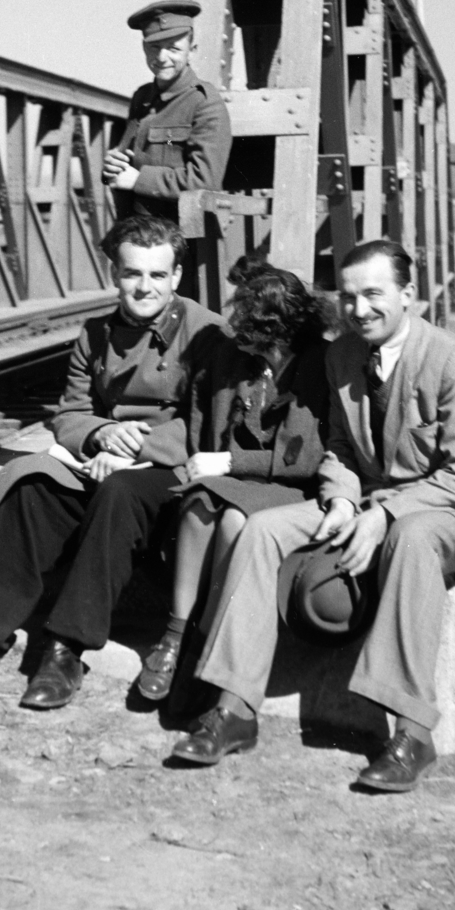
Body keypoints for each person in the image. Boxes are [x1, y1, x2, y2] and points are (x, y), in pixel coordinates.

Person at [169, 239, 455, 790]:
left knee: (412, 539)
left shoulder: (451, 360)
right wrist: (345, 498)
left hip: (450, 508)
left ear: (408, 295)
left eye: (374, 295)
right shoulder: (342, 357)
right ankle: (234, 707)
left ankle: (412, 733)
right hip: (368, 498)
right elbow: (342, 449)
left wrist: (382, 515)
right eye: (349, 298)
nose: (360, 310)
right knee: (262, 529)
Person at [0, 215, 222, 710]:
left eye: (158, 276)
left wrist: (134, 450)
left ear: (176, 277)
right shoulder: (95, 334)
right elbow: (70, 413)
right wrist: (102, 435)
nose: (144, 287)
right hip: (103, 454)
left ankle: (66, 649)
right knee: (31, 486)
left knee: (120, 494)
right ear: (115, 273)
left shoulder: (206, 333)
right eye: (133, 274)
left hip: (168, 469)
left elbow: (205, 425)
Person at [135, 257, 334, 703]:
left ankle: (210, 643)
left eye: (256, 336)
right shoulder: (245, 362)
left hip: (287, 484)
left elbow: (301, 459)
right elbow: (205, 422)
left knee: (232, 522)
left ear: (279, 334)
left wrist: (227, 463)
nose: (244, 342)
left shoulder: (316, 365)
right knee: (202, 505)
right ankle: (175, 634)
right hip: (240, 478)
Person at [104, 0, 231, 220]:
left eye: (173, 48)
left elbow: (205, 181)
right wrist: (111, 166)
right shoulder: (141, 98)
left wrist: (138, 180)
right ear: (144, 47)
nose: (162, 58)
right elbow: (127, 164)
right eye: (154, 47)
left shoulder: (204, 102)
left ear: (192, 51)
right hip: (136, 230)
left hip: (179, 237)